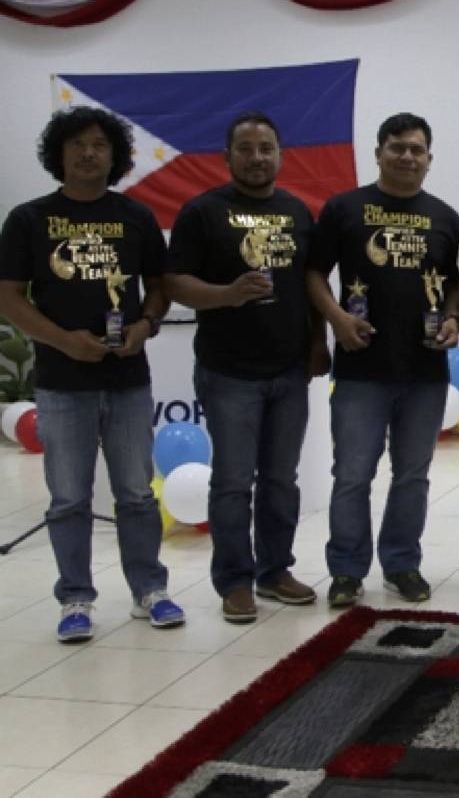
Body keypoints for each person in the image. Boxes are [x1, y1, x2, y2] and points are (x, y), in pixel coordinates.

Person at [0, 106, 184, 642]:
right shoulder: (29, 219)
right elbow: (9, 296)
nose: (88, 153)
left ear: (117, 156)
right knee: (69, 498)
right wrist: (63, 341)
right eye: (77, 144)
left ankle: (150, 590)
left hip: (127, 380)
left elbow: (160, 285)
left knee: (136, 494)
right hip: (61, 384)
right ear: (58, 154)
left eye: (100, 145)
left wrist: (146, 325)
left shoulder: (136, 216)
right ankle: (75, 599)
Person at [165, 112, 329, 624]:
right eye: (246, 148)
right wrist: (227, 294)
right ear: (228, 156)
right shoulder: (202, 212)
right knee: (234, 482)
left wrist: (317, 342)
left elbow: (311, 282)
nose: (257, 157)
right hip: (229, 372)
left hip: (288, 371)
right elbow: (174, 283)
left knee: (281, 479)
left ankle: (275, 570)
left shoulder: (298, 211)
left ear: (279, 154)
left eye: (266, 148)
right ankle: (235, 581)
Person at [306, 113, 459, 608]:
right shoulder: (344, 209)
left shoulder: (445, 217)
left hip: (425, 371)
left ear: (429, 159)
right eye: (397, 147)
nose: (407, 156)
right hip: (360, 370)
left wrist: (455, 319)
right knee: (352, 473)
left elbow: (456, 283)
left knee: (412, 474)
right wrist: (336, 320)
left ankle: (401, 563)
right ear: (379, 153)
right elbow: (313, 274)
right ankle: (346, 571)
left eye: (417, 149)